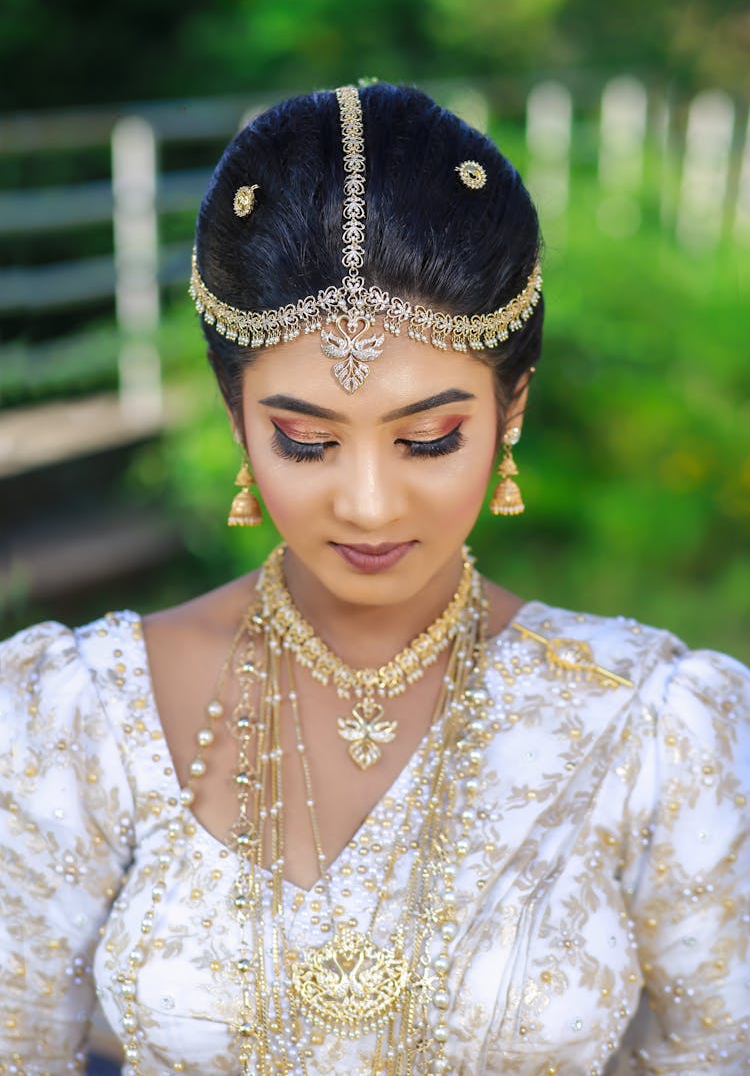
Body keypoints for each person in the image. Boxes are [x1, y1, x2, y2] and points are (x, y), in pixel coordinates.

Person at [0, 81, 747, 1076]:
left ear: (510, 406)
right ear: (237, 417)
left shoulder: (658, 727)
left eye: (428, 438)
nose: (367, 503)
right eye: (305, 441)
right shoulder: (73, 716)